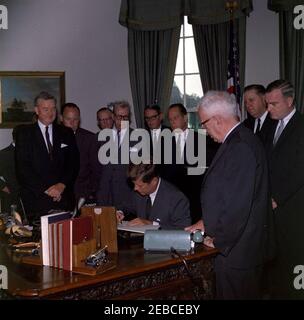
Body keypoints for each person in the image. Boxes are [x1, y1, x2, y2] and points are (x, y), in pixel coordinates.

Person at [186, 91, 269, 300]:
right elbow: (227, 195)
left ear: (217, 120)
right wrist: (206, 222)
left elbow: (238, 206)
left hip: (238, 253)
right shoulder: (239, 140)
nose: (204, 129)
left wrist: (220, 240)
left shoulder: (240, 146)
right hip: (238, 249)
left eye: (203, 123)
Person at [265, 79, 304, 299]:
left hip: (294, 210)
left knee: (294, 262)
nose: (268, 108)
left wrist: (277, 197)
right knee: (276, 264)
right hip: (272, 211)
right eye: (267, 103)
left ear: (289, 101)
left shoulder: (301, 125)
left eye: (273, 104)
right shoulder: (270, 126)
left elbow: (300, 169)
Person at [15, 92, 79, 222]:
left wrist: (61, 185)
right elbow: (23, 169)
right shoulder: (24, 134)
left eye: (53, 108)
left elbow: (73, 163)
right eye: (45, 109)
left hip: (63, 199)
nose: (50, 113)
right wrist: (47, 190)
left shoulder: (66, 132)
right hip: (36, 200)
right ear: (36, 110)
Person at [167, 103, 219, 223]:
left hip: (195, 201)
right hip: (172, 201)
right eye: (170, 120)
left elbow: (208, 172)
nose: (173, 122)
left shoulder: (202, 140)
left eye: (176, 118)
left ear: (185, 118)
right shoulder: (164, 143)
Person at [117, 163, 191, 229]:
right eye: (134, 184)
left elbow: (183, 229)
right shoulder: (138, 192)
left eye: (140, 185)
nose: (135, 188)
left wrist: (152, 224)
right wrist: (119, 212)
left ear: (154, 181)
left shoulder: (176, 198)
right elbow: (125, 206)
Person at [96, 101, 136, 210]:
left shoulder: (137, 138)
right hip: (105, 197)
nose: (122, 120)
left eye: (125, 117)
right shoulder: (100, 138)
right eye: (119, 117)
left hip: (127, 198)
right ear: (113, 116)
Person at [60, 103, 96, 203]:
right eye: (68, 119)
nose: (72, 123)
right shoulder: (54, 137)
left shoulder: (90, 138)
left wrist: (90, 192)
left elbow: (95, 170)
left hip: (83, 194)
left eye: (75, 119)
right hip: (59, 194)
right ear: (61, 118)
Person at [0, 127, 21, 214]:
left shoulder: (30, 152)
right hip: (10, 198)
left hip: (27, 198)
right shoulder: (2, 154)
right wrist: (2, 186)